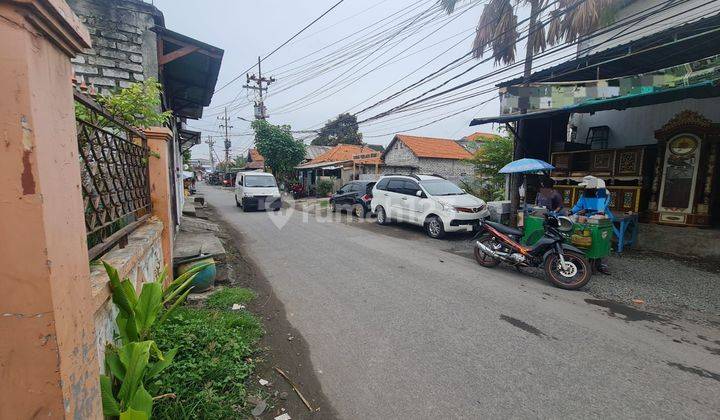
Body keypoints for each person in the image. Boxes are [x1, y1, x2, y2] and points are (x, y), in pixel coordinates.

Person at [569, 176, 612, 275]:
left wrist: (597, 213)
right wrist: (571, 211)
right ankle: (581, 261)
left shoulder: (603, 193)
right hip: (587, 219)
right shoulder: (584, 194)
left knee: (602, 242)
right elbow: (579, 205)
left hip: (603, 220)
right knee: (583, 239)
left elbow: (602, 206)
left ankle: (601, 264)